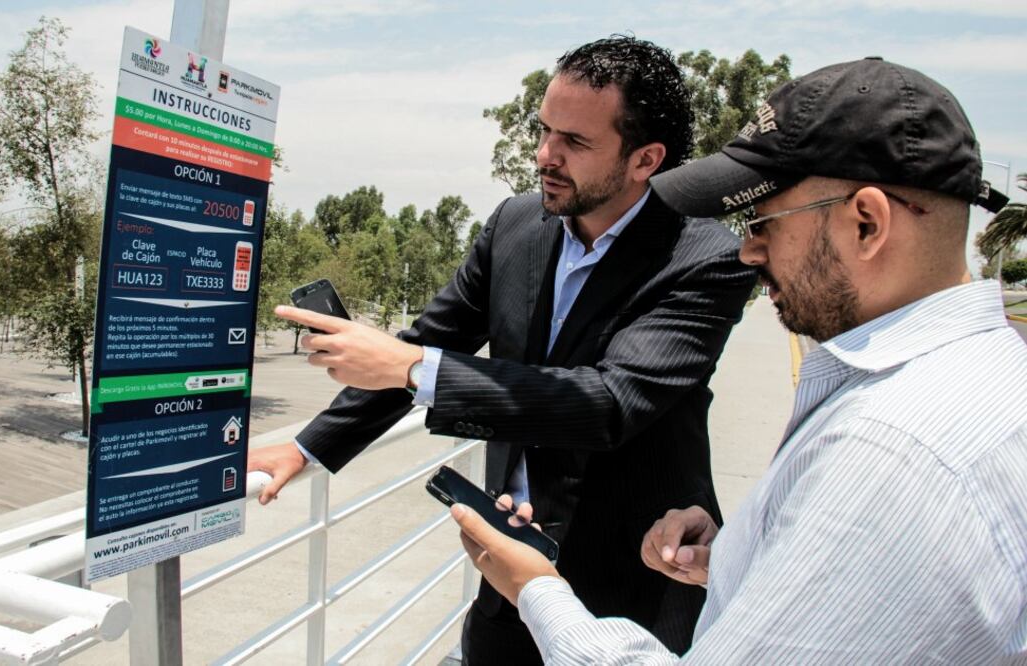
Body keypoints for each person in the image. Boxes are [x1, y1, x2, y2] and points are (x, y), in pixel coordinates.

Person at [450, 57, 1027, 664]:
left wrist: (536, 588)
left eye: (764, 221)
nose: (749, 251)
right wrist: (738, 559)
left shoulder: (893, 451)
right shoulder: (987, 377)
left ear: (866, 224)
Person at [249, 35, 756, 663]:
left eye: (575, 142)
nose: (545, 155)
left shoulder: (706, 259)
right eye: (544, 131)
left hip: (633, 583)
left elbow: (609, 403)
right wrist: (307, 448)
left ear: (644, 159)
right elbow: (433, 339)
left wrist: (411, 368)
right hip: (504, 575)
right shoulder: (515, 225)